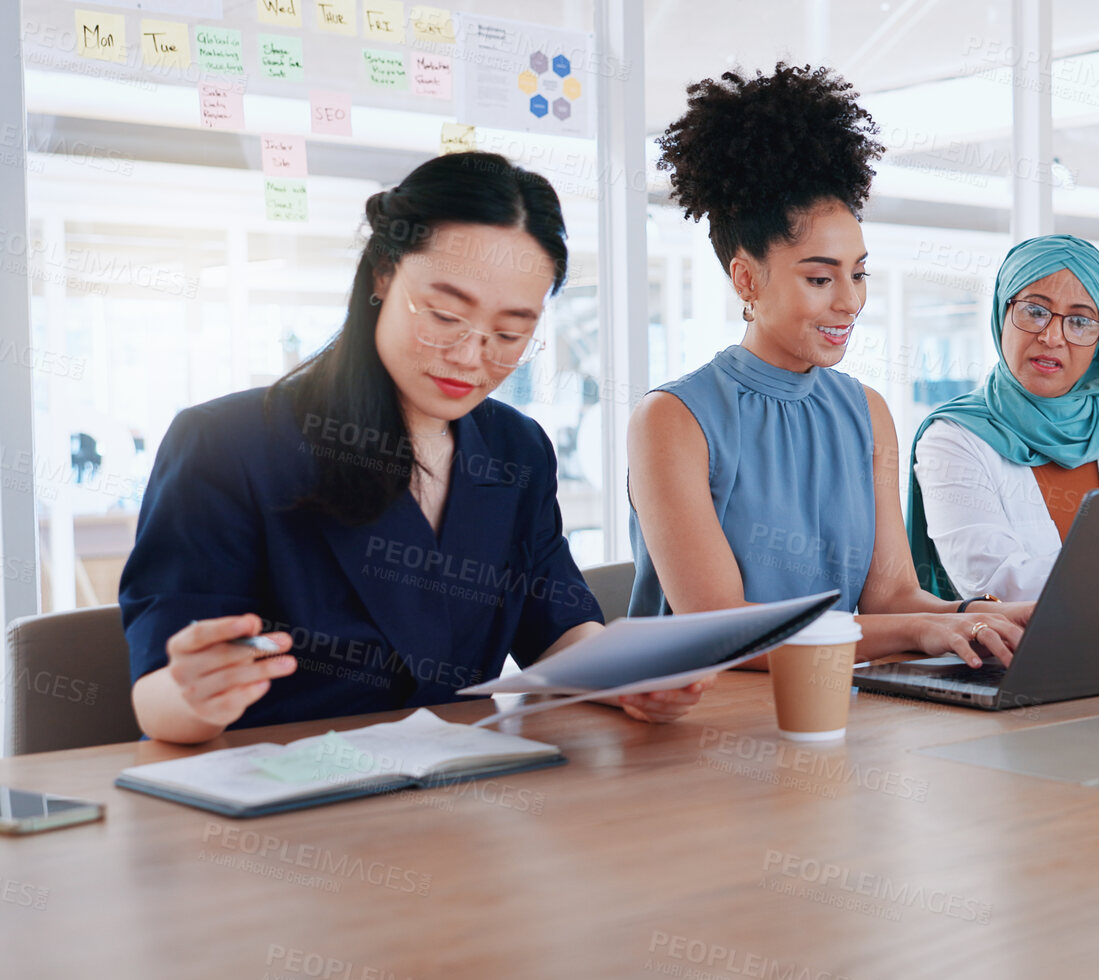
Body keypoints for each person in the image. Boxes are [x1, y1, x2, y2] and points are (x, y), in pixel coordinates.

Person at [121, 153, 699, 745]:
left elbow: (556, 629)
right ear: (381, 275)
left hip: (461, 793)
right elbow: (159, 698)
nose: (472, 357)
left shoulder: (514, 449)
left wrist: (628, 676)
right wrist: (195, 692)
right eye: (447, 315)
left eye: (509, 334)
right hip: (282, 799)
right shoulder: (228, 445)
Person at [628, 63, 1032, 670]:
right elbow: (722, 630)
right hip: (705, 723)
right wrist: (921, 630)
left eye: (859, 272)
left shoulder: (867, 412)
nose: (850, 300)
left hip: (839, 705)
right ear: (746, 277)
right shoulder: (673, 420)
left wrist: (984, 615)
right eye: (820, 277)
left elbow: (891, 596)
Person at [907, 234, 1099, 602]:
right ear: (1002, 312)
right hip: (1016, 657)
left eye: (1080, 321)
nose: (1052, 336)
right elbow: (995, 586)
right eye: (1035, 311)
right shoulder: (954, 436)